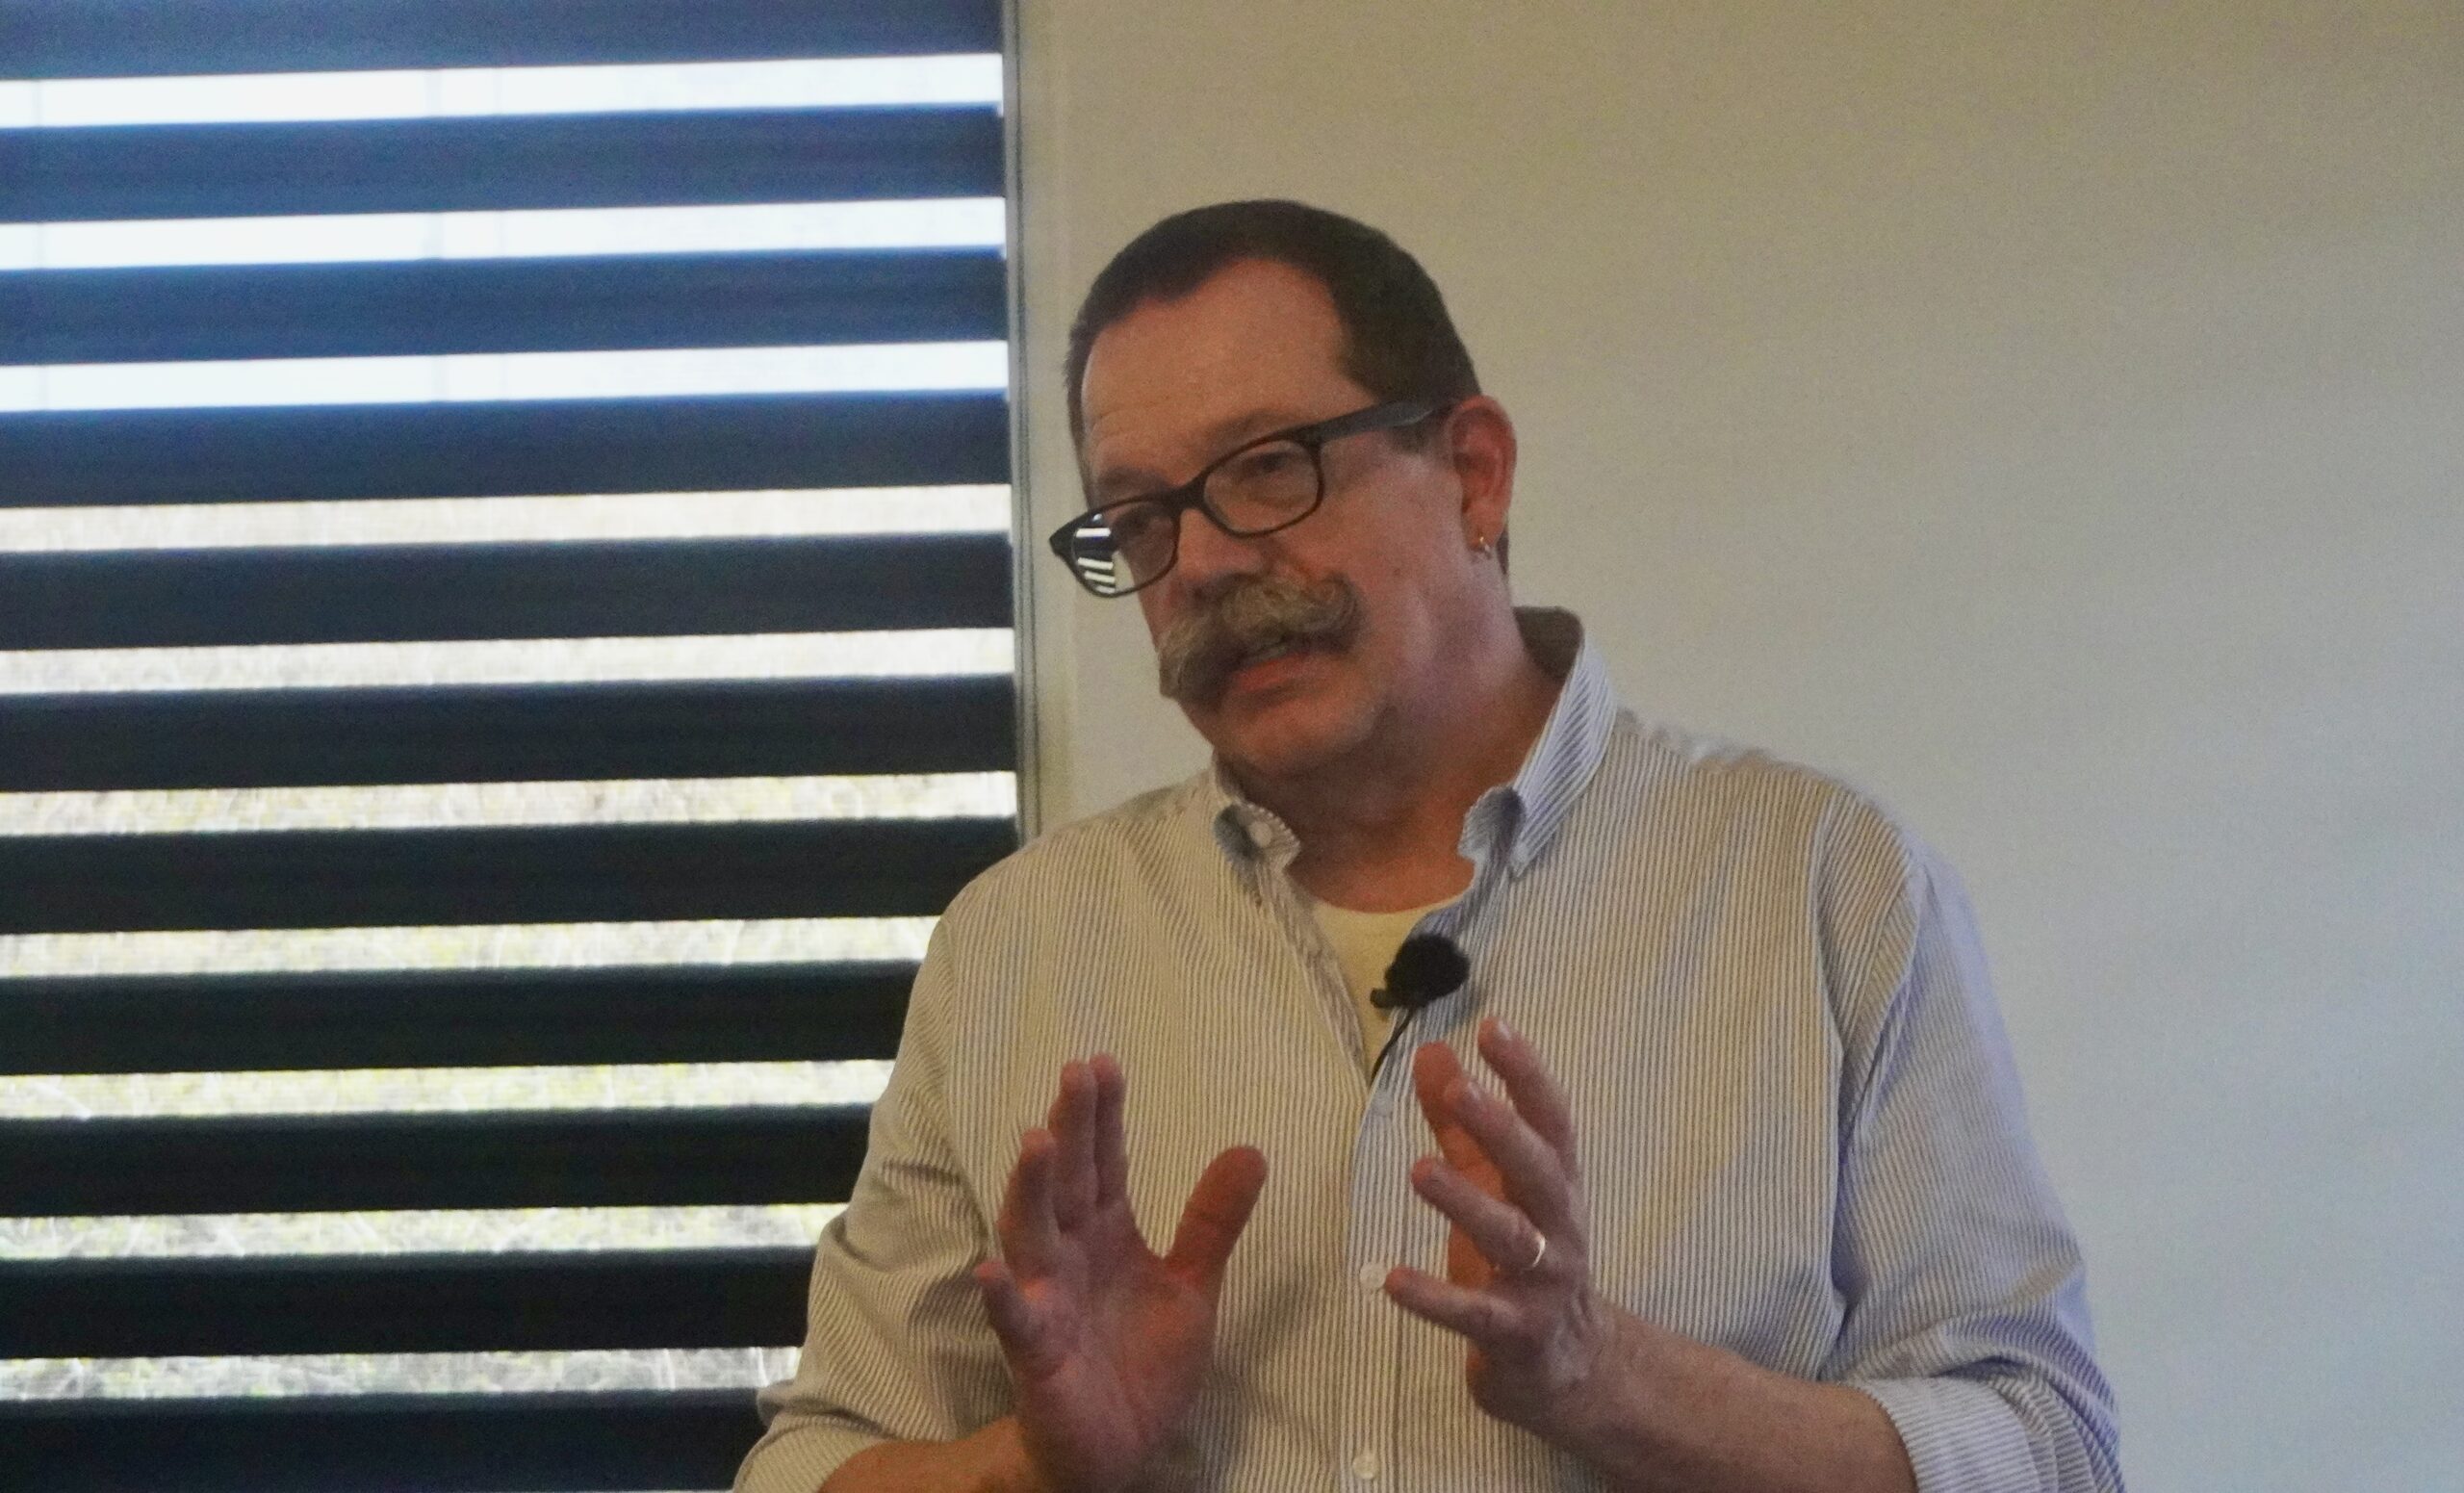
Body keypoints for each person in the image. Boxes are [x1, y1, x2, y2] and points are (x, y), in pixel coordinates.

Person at [738, 200, 2121, 1492]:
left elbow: (2046, 1446)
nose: (1203, 565)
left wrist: (1604, 1375)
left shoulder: (1822, 882)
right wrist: (1032, 1464)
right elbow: (815, 1461)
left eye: (1269, 468)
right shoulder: (1019, 943)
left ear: (1474, 473)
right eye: (1144, 518)